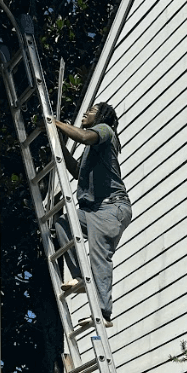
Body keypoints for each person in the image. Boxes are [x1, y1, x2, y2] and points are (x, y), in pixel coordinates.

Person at [53, 102, 132, 327]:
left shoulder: (105, 130)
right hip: (93, 210)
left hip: (111, 208)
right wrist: (59, 143)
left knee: (99, 255)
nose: (86, 112)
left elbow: (85, 137)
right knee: (64, 223)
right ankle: (80, 276)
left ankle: (104, 313)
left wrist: (56, 123)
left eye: (92, 111)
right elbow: (78, 171)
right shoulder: (93, 148)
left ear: (102, 116)